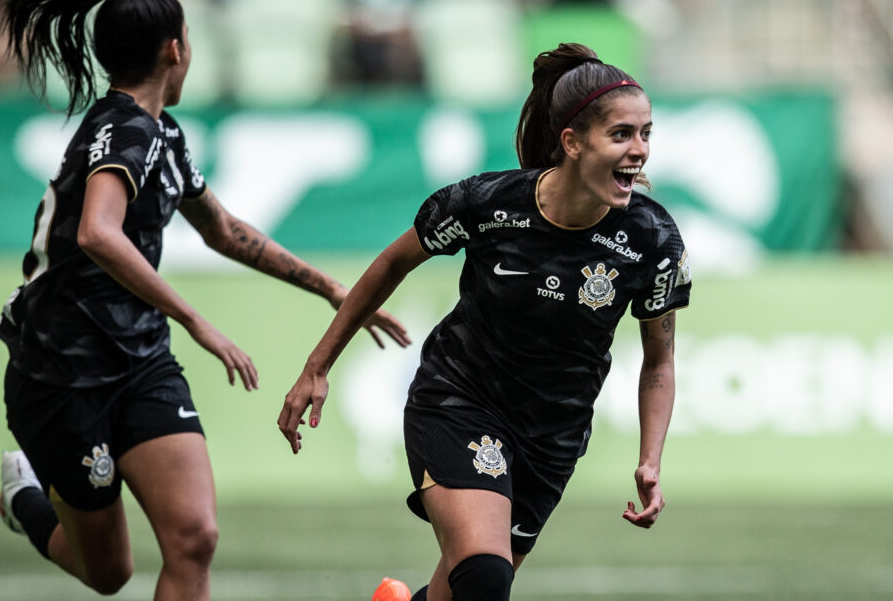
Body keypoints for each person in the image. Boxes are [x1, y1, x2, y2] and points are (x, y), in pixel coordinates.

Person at [0, 0, 409, 600]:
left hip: (137, 362)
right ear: (176, 49)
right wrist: (195, 319)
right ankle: (27, 500)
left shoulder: (164, 136)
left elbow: (225, 231)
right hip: (62, 372)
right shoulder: (123, 130)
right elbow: (98, 232)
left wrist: (333, 289)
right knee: (109, 572)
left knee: (194, 537)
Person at [279, 43, 691, 601]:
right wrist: (316, 366)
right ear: (571, 142)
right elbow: (394, 260)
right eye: (621, 134)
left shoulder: (653, 240)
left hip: (553, 435)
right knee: (486, 578)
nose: (639, 150)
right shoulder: (488, 204)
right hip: (460, 400)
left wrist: (649, 460)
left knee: (466, 589)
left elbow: (660, 361)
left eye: (646, 133)